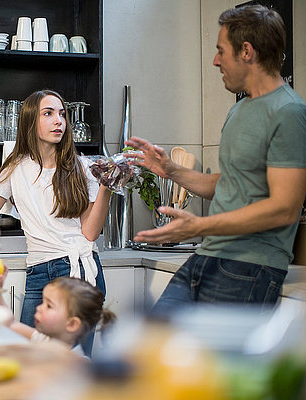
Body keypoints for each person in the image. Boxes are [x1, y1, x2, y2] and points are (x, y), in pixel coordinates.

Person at [125, 5, 306, 317]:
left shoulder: (288, 113)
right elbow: (230, 184)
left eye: (222, 51)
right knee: (153, 344)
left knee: (207, 365)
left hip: (249, 266)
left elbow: (285, 207)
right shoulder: (240, 108)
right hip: (207, 257)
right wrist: (170, 170)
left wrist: (200, 225)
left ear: (246, 51)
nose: (215, 60)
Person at [0, 89, 111, 353]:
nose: (59, 121)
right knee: (26, 355)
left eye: (62, 114)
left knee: (71, 364)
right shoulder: (15, 167)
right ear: (30, 121)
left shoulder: (82, 168)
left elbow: (90, 232)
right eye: (48, 114)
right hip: (38, 271)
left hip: (77, 272)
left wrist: (107, 187)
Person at [3, 276, 115, 358]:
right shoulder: (43, 339)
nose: (39, 308)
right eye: (42, 302)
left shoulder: (78, 364)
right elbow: (9, 324)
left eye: (49, 306)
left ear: (72, 324)